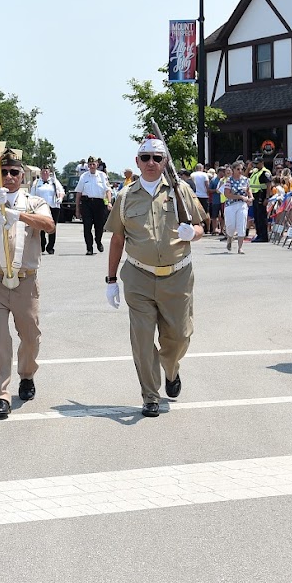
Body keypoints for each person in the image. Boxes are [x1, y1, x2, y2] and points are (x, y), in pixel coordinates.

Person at [105, 139, 204, 416]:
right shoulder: (125, 196)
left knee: (180, 337)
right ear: (137, 162)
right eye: (145, 157)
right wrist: (111, 280)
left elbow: (199, 227)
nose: (151, 163)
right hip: (138, 277)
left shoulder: (180, 190)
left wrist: (192, 234)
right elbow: (117, 239)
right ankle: (150, 395)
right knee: (142, 338)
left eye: (156, 158)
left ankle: (171, 370)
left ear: (165, 162)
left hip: (178, 276)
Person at [0, 148, 55, 419]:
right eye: (3, 172)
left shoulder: (33, 202)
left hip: (24, 281)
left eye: (13, 172)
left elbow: (49, 224)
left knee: (30, 336)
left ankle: (27, 374)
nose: (8, 176)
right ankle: (1, 394)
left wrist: (20, 216)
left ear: (22, 176)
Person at [75, 159, 111, 254]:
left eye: (93, 164)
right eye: (90, 164)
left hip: (99, 203)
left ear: (97, 165)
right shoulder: (84, 176)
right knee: (87, 226)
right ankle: (89, 248)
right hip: (87, 203)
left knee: (99, 226)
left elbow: (108, 190)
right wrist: (77, 209)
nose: (91, 166)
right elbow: (78, 193)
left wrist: (109, 202)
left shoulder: (102, 176)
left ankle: (98, 241)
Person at [30, 167, 64, 255]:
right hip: (41, 207)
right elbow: (32, 195)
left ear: (49, 173)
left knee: (52, 227)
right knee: (41, 226)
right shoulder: (36, 182)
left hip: (53, 206)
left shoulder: (54, 181)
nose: (45, 173)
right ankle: (42, 245)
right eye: (43, 171)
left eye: (47, 171)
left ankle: (50, 247)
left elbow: (61, 191)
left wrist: (60, 198)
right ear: (41, 173)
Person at [222, 161, 251, 253]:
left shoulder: (245, 180)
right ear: (233, 170)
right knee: (230, 226)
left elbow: (248, 190)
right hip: (231, 205)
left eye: (241, 169)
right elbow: (227, 194)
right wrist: (240, 197)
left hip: (242, 205)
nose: (240, 171)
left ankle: (240, 247)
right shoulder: (229, 180)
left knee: (241, 224)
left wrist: (250, 197)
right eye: (238, 169)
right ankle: (229, 238)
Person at [248, 157, 272, 242]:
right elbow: (246, 175)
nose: (255, 165)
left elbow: (268, 185)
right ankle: (259, 234)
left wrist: (267, 197)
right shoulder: (255, 172)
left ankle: (263, 236)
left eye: (257, 163)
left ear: (262, 163)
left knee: (261, 216)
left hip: (261, 195)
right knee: (257, 216)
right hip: (255, 196)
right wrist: (248, 167)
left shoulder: (265, 172)